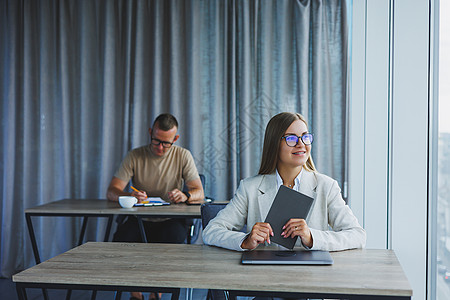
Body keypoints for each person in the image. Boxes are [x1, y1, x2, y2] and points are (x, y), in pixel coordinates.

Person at [203, 112, 366, 251]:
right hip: (264, 279)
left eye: (305, 137)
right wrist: (246, 241)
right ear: (275, 143)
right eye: (292, 138)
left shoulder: (326, 187)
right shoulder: (250, 188)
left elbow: (358, 236)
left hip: (311, 279)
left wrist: (311, 237)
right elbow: (211, 231)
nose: (301, 144)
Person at [106, 113, 204, 300]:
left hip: (170, 220)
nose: (160, 147)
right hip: (140, 219)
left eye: (166, 143)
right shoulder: (135, 155)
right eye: (156, 141)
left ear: (175, 138)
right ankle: (136, 294)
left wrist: (185, 195)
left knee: (170, 242)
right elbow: (112, 191)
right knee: (121, 242)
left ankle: (155, 294)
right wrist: (130, 195)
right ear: (150, 133)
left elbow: (199, 192)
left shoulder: (182, 155)